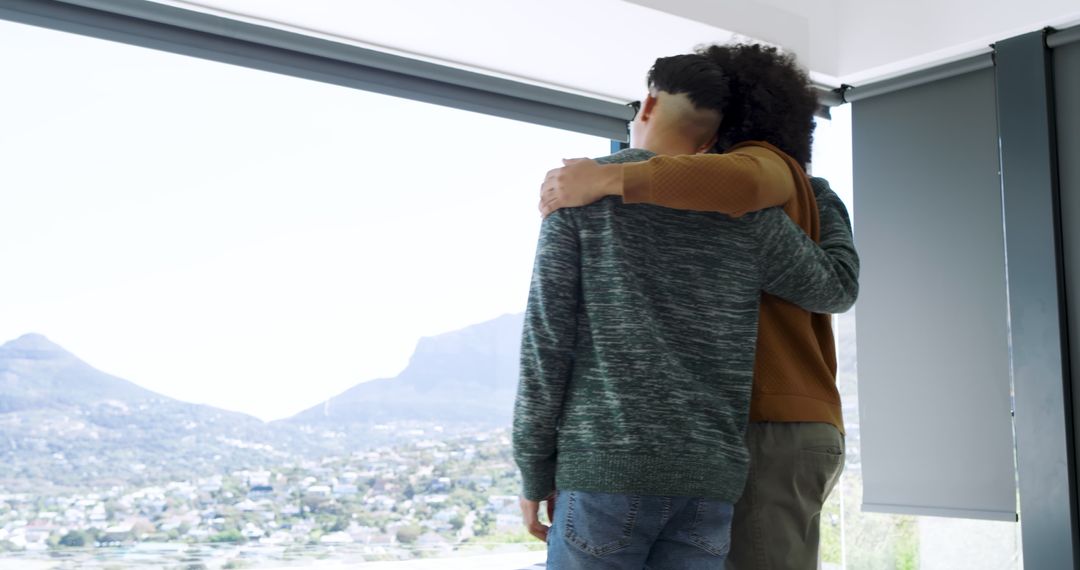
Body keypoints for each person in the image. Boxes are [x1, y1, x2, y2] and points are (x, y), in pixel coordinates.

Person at [513, 51, 858, 569]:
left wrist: (533, 472)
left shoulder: (578, 194)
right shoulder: (749, 217)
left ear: (648, 104)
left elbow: (546, 348)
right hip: (707, 483)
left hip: (606, 470)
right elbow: (829, 285)